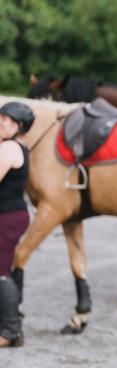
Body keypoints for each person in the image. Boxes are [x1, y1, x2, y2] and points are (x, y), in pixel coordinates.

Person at [0, 102, 35, 347]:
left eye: (7, 121)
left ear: (19, 126)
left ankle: (11, 331)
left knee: (1, 273)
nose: (1, 123)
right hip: (10, 215)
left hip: (7, 218)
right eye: (0, 118)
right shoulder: (13, 146)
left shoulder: (10, 147)